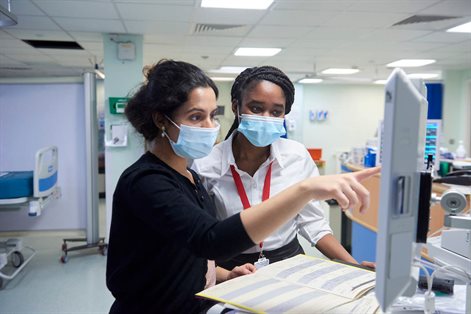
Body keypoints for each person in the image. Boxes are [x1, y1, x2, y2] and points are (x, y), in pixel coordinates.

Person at [106, 59, 379, 313]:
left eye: (213, 115)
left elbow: (189, 253)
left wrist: (224, 275)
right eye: (195, 117)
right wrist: (304, 190)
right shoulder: (156, 179)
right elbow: (208, 239)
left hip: (258, 273)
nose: (209, 127)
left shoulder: (189, 178)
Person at [193, 65, 374, 271]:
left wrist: (354, 266)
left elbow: (313, 223)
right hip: (230, 266)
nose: (266, 117)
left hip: (288, 261)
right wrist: (224, 275)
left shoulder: (296, 156)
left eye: (276, 111)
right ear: (236, 107)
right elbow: (201, 236)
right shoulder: (205, 163)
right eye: (256, 108)